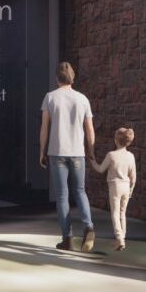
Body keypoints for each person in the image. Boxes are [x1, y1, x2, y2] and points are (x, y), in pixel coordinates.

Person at [39, 61, 96, 252]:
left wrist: (41, 151)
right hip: (78, 152)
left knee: (62, 196)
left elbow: (44, 128)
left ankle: (67, 239)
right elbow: (89, 129)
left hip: (57, 152)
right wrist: (91, 150)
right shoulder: (82, 99)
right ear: (73, 77)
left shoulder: (50, 97)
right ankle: (88, 226)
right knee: (80, 191)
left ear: (57, 78)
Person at [89, 127, 136, 251]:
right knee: (122, 214)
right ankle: (122, 240)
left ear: (116, 140)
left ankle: (119, 238)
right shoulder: (131, 156)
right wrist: (131, 190)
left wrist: (92, 160)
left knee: (115, 214)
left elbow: (100, 169)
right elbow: (133, 176)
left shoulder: (111, 155)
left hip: (115, 186)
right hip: (126, 186)